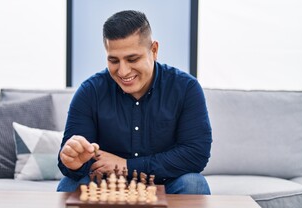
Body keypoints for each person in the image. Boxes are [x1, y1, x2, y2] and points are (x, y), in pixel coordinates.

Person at [57, 10, 212, 194]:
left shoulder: (186, 88)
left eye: (132, 59)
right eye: (114, 60)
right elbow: (72, 162)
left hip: (165, 184)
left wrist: (127, 166)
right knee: (68, 185)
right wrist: (73, 164)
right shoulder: (90, 91)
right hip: (107, 187)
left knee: (194, 184)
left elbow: (195, 154)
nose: (123, 71)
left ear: (154, 51)